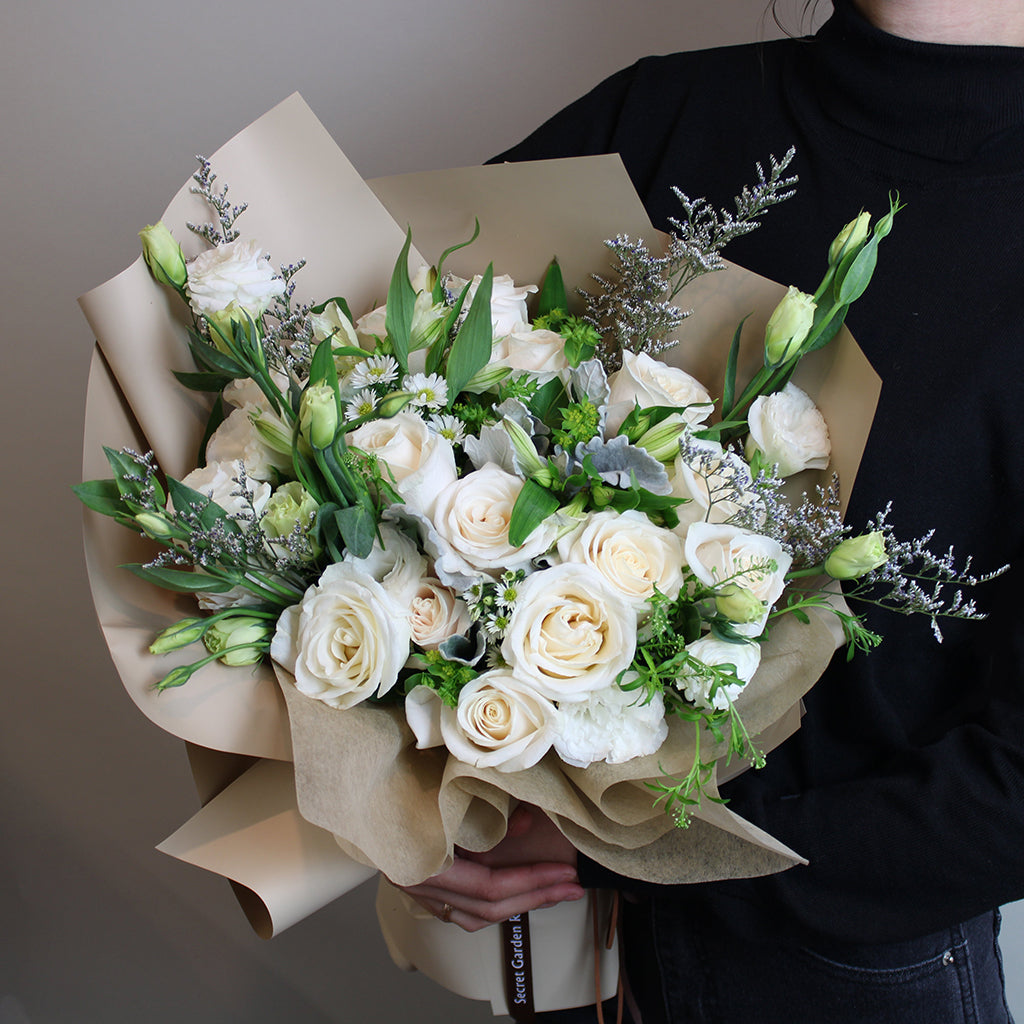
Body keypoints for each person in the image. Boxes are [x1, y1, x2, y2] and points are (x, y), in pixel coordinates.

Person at [400, 1, 1024, 1019]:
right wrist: (402, 778)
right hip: (568, 936)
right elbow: (377, 403)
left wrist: (628, 846)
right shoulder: (664, 116)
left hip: (845, 969)